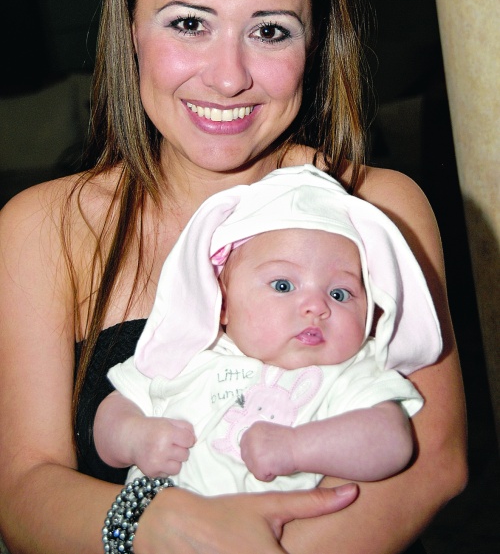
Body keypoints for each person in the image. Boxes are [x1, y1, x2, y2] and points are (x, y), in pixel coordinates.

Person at [0, 0, 467, 554]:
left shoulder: (378, 209)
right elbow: (23, 490)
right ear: (131, 27)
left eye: (270, 30)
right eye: (190, 23)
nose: (228, 77)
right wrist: (164, 526)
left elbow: (434, 463)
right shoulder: (42, 229)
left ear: (314, 43)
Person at [94, 164, 441, 495]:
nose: (316, 306)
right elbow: (112, 413)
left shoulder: (352, 371)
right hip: (158, 521)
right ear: (222, 302)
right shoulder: (188, 352)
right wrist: (136, 437)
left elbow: (391, 441)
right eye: (283, 285)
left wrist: (297, 449)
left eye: (339, 293)